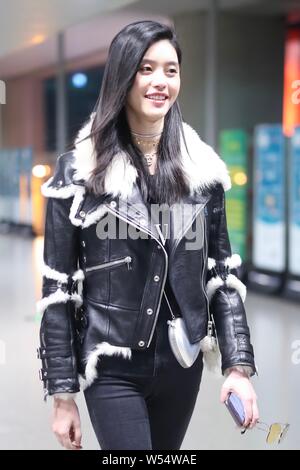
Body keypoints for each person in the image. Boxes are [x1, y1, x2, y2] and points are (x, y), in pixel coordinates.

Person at [37, 20, 259, 451]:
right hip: (112, 363)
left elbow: (221, 277)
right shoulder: (79, 173)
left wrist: (238, 368)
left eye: (171, 70)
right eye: (146, 69)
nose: (161, 82)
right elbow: (58, 290)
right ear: (123, 76)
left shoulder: (203, 173)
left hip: (182, 361)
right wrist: (63, 395)